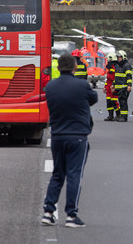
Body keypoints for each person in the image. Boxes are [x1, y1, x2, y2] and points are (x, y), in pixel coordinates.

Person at [41, 53, 97, 228]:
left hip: (57, 136)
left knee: (58, 174)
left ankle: (48, 212)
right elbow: (93, 99)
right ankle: (71, 215)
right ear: (75, 67)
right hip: (77, 137)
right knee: (74, 175)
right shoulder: (82, 85)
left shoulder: (50, 87)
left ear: (57, 68)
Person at [113, 50, 132, 122]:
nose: (118, 58)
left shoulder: (127, 65)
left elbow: (129, 76)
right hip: (119, 87)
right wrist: (113, 85)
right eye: (118, 57)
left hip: (124, 87)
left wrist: (129, 85)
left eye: (120, 57)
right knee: (121, 102)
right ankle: (122, 116)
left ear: (124, 57)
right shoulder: (117, 65)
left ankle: (124, 117)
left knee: (123, 102)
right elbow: (116, 77)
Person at [104, 52, 119, 121]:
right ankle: (110, 115)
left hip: (113, 87)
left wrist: (114, 85)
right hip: (108, 87)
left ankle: (118, 115)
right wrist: (105, 86)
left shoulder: (115, 67)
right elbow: (108, 79)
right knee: (109, 102)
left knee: (114, 101)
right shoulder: (110, 67)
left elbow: (116, 78)